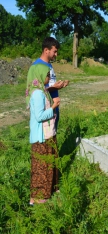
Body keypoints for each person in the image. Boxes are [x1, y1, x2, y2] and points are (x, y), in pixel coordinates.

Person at [25, 63, 60, 205]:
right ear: (39, 76)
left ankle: (48, 191)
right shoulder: (38, 94)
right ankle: (38, 198)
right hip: (41, 136)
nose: (48, 77)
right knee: (41, 166)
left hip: (48, 134)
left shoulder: (42, 90)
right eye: (46, 75)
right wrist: (53, 107)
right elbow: (39, 116)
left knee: (49, 163)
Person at [32, 37, 69, 131]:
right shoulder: (37, 66)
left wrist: (59, 86)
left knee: (53, 132)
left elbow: (49, 84)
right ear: (46, 50)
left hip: (54, 105)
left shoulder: (49, 65)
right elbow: (35, 90)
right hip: (46, 107)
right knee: (46, 134)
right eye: (55, 51)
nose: (56, 54)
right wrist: (53, 87)